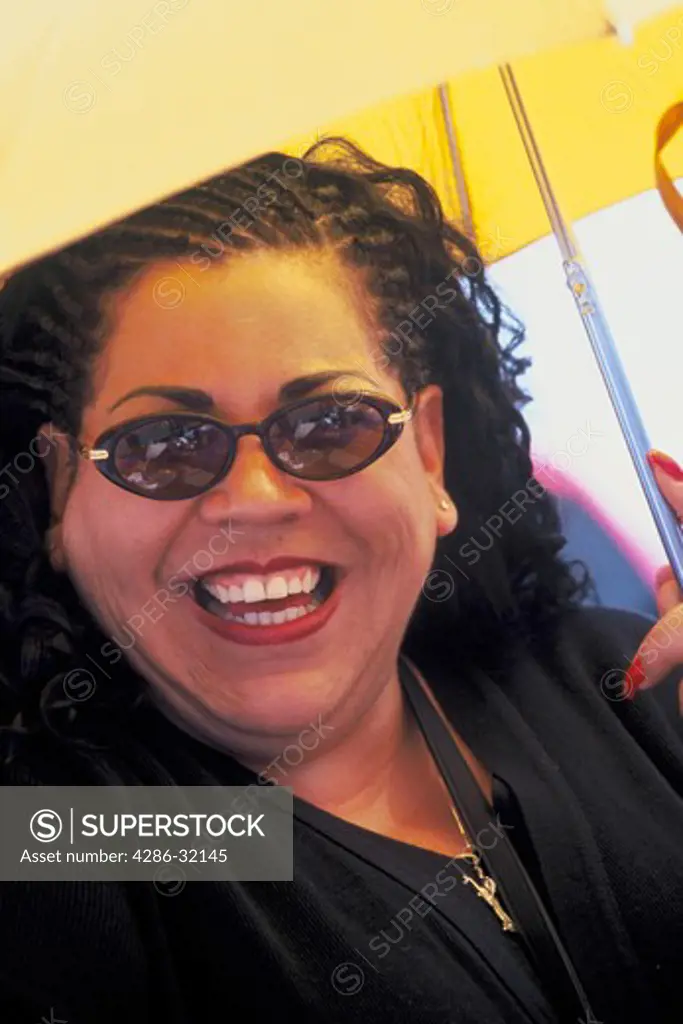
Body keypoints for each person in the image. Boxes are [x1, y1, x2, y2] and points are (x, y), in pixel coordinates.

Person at [0, 138, 681, 1024]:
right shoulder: (75, 841)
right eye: (163, 443)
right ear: (57, 490)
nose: (254, 499)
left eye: (328, 422)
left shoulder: (624, 682)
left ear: (428, 452)